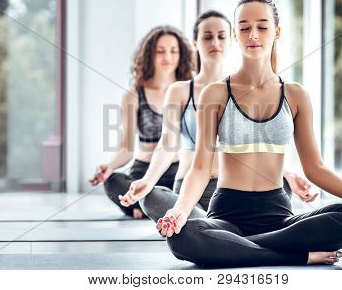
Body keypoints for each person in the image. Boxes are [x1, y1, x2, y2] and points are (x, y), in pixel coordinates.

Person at [156, 0, 342, 267]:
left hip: (279, 216)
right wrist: (179, 211)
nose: (253, 35)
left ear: (276, 31)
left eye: (262, 27)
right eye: (245, 27)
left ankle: (239, 250)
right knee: (183, 237)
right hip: (227, 215)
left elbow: (315, 167)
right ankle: (292, 254)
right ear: (236, 34)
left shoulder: (295, 95)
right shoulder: (216, 94)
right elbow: (200, 169)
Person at [119, 11, 317, 223]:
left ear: (232, 38)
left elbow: (257, 146)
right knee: (152, 198)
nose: (215, 42)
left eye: (221, 36)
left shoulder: (242, 89)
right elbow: (167, 143)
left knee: (279, 185)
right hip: (193, 189)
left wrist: (288, 172)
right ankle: (214, 226)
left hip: (233, 192)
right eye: (207, 36)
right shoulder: (180, 90)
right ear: (195, 42)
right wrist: (148, 181)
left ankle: (217, 231)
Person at [89, 26, 193, 219]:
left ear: (182, 55)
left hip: (180, 172)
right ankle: (151, 205)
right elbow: (126, 148)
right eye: (160, 51)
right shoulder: (134, 95)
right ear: (150, 55)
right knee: (113, 182)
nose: (167, 57)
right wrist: (109, 167)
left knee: (195, 187)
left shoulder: (189, 90)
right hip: (143, 172)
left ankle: (146, 206)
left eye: (173, 51)